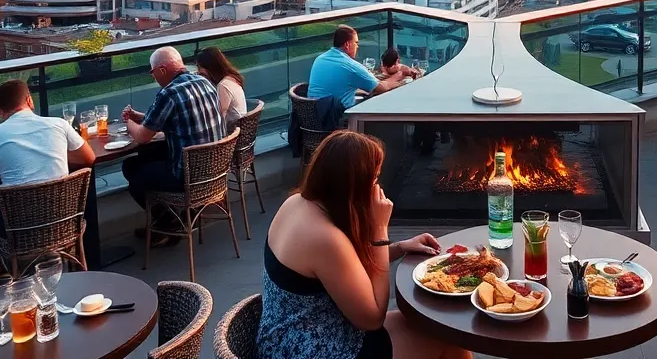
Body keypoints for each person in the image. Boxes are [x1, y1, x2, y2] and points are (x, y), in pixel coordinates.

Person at [259, 130, 471, 359]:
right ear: (353, 185)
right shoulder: (325, 239)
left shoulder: (296, 203)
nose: (378, 187)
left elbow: (344, 268)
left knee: (435, 326)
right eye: (375, 178)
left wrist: (399, 247)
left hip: (289, 334)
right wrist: (380, 231)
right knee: (449, 338)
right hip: (314, 348)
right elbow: (372, 318)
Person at [0, 79, 95, 236]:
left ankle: (11, 257)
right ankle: (56, 253)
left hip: (20, 226)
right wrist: (54, 156)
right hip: (63, 219)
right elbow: (89, 158)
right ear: (29, 100)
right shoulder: (59, 125)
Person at [121, 46, 224, 241]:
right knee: (150, 155)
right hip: (215, 172)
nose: (154, 78)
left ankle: (167, 223)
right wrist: (140, 117)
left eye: (152, 73)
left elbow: (142, 137)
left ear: (162, 69)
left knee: (131, 167)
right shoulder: (205, 82)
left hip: (187, 177)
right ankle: (177, 220)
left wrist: (128, 123)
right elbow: (174, 118)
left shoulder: (169, 93)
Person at [309, 26, 405, 110]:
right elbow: (381, 88)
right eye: (356, 42)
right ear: (347, 44)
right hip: (336, 119)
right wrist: (400, 79)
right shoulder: (351, 66)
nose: (357, 46)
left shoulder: (320, 59)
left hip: (314, 116)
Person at [196, 46, 247, 124]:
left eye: (199, 67)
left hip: (232, 132)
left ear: (209, 67)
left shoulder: (223, 86)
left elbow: (218, 118)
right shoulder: (232, 78)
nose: (198, 72)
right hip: (240, 128)